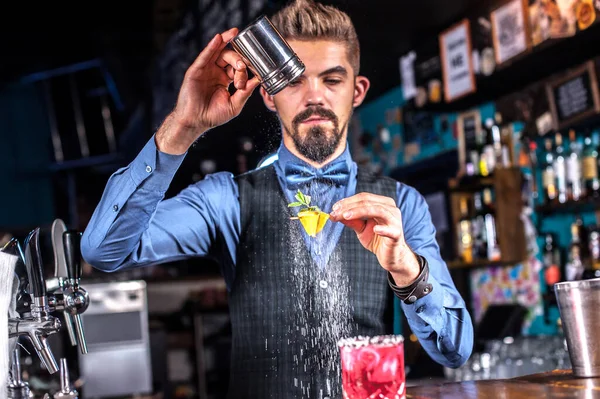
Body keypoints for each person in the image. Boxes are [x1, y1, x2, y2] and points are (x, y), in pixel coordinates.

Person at [81, 0, 473, 397]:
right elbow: (104, 250)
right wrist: (182, 127)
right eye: (295, 80)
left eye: (332, 80)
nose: (314, 97)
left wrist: (408, 270)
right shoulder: (227, 201)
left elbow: (454, 351)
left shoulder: (402, 205)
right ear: (269, 95)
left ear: (357, 92)